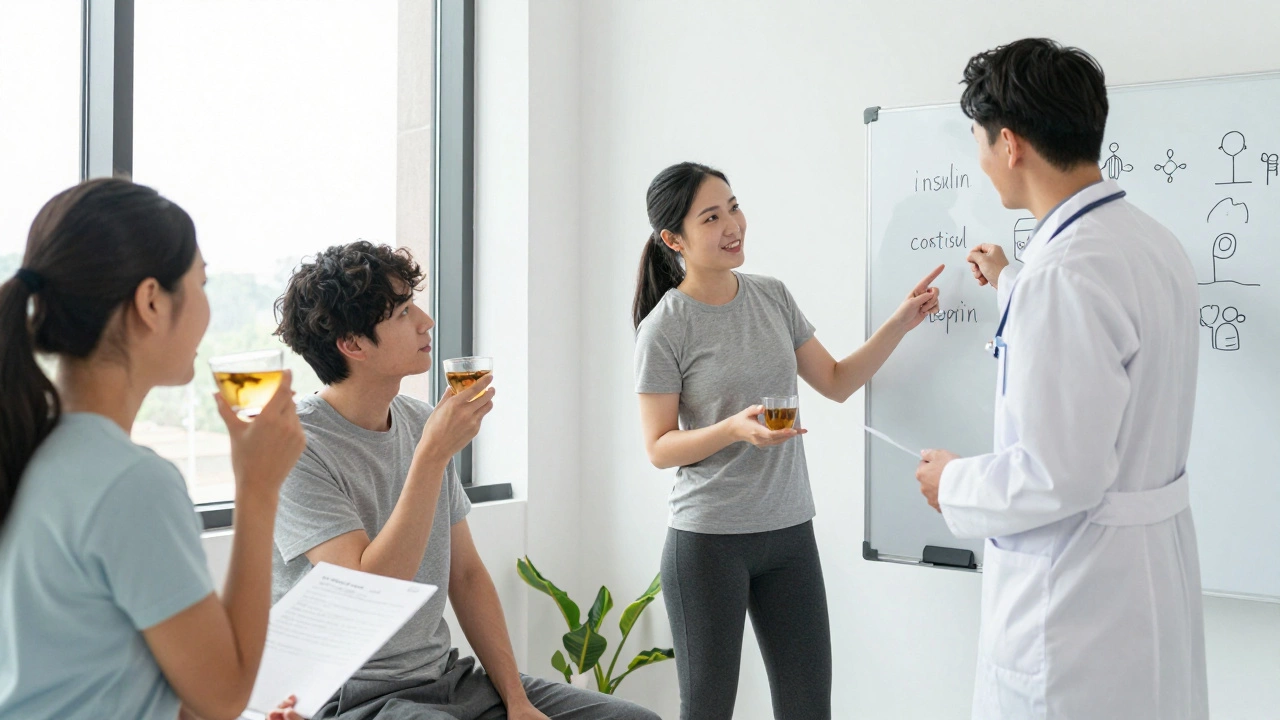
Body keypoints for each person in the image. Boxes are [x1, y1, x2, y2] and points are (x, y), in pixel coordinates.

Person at [914, 38, 1209, 719]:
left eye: (980, 142)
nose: (982, 162)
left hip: (1079, 612)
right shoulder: (1148, 243)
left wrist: (951, 482)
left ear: (1010, 144)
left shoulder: (1064, 274)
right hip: (1143, 585)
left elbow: (1061, 473)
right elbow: (1103, 350)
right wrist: (1014, 282)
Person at [271, 241, 659, 720]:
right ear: (352, 345)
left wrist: (517, 702)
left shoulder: (417, 421)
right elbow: (370, 591)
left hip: (446, 679)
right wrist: (431, 456)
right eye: (401, 313)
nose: (426, 321)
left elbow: (468, 576)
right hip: (349, 696)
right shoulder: (294, 444)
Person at [632, 162, 942, 720]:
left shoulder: (771, 297)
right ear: (673, 239)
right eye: (711, 216)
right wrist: (732, 429)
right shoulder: (665, 327)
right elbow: (658, 447)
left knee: (807, 709)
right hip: (707, 543)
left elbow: (837, 381)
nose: (733, 224)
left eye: (733, 206)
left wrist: (900, 321)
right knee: (706, 709)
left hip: (789, 533)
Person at [0, 178, 306, 720]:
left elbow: (91, 672)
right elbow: (225, 697)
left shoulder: (26, 445)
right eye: (202, 282)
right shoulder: (129, 483)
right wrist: (257, 488)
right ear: (150, 301)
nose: (208, 308)